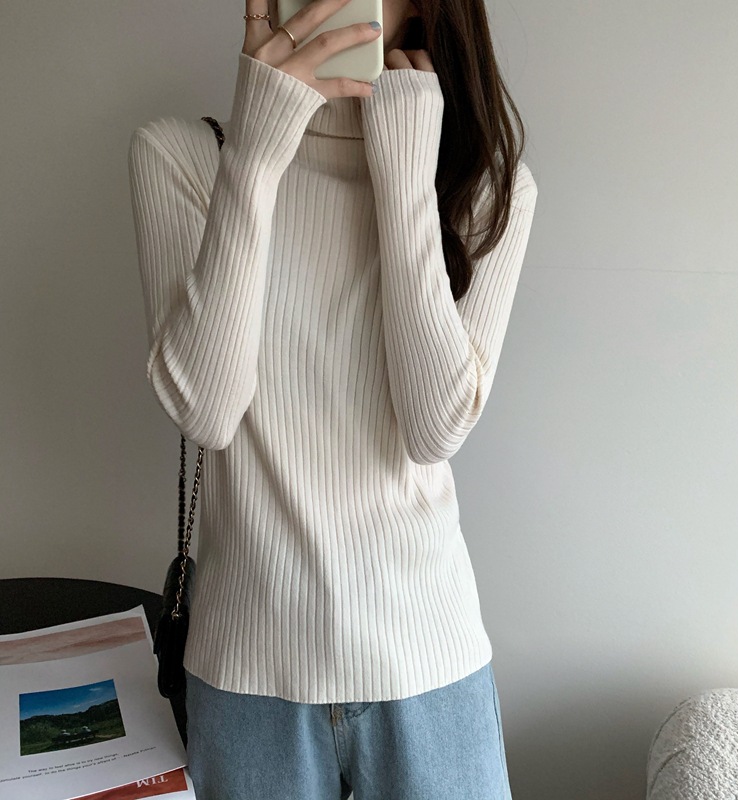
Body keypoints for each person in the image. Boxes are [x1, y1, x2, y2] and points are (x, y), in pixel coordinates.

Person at [127, 0, 537, 796]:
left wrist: (405, 175)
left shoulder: (487, 186)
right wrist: (255, 152)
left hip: (429, 660)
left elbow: (433, 429)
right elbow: (206, 410)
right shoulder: (182, 157)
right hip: (247, 673)